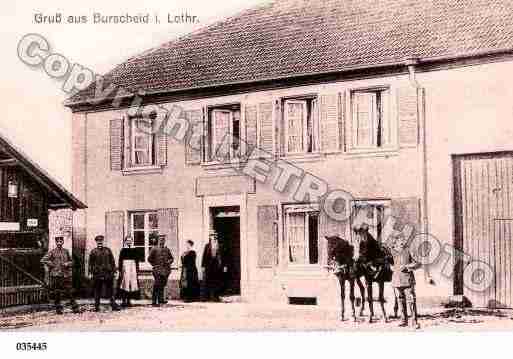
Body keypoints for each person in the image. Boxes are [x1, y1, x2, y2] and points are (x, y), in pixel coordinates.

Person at [40, 236, 80, 315]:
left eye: (60, 241)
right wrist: (51, 264)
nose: (59, 243)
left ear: (63, 242)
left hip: (65, 275)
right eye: (57, 242)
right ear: (56, 243)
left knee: (69, 291)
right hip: (56, 275)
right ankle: (58, 309)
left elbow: (72, 261)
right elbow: (43, 259)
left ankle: (75, 308)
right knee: (57, 293)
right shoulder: (52, 252)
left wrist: (67, 264)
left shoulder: (66, 251)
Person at [391, 233, 421, 329]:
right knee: (400, 300)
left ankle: (414, 321)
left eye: (403, 239)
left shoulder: (408, 250)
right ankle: (403, 320)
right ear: (395, 241)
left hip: (408, 280)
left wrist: (407, 266)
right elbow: (387, 263)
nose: (402, 241)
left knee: (411, 300)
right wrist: (391, 267)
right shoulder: (392, 252)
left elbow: (418, 263)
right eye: (400, 239)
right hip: (397, 280)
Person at [89, 235, 120, 312]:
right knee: (97, 290)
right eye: (98, 241)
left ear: (103, 241)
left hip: (107, 273)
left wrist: (115, 271)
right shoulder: (93, 251)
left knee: (110, 290)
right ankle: (96, 306)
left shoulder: (108, 250)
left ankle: (113, 304)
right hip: (97, 273)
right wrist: (90, 273)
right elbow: (90, 263)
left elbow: (112, 261)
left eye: (101, 241)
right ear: (96, 242)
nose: (100, 242)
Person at [148, 235, 174, 306]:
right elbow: (149, 259)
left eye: (163, 240)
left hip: (165, 270)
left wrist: (169, 262)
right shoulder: (154, 249)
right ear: (158, 240)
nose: (162, 241)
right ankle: (154, 301)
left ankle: (161, 299)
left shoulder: (167, 249)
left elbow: (171, 258)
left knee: (162, 284)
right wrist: (154, 265)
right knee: (157, 285)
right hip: (157, 270)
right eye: (161, 240)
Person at [201, 230, 227, 302]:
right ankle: (208, 297)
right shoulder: (207, 246)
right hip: (209, 266)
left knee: (217, 281)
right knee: (208, 281)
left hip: (217, 266)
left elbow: (224, 256)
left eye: (215, 235)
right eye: (212, 235)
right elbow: (204, 256)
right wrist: (203, 266)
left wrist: (225, 266)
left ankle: (216, 297)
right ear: (210, 237)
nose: (214, 237)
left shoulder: (220, 245)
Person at [117, 236, 141, 308]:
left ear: (132, 241)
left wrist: (137, 269)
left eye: (130, 240)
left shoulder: (135, 250)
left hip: (132, 269)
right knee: (124, 284)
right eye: (128, 240)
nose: (129, 242)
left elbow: (137, 261)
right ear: (125, 241)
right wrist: (120, 269)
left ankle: (129, 300)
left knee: (131, 284)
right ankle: (123, 301)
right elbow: (120, 260)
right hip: (125, 269)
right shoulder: (123, 250)